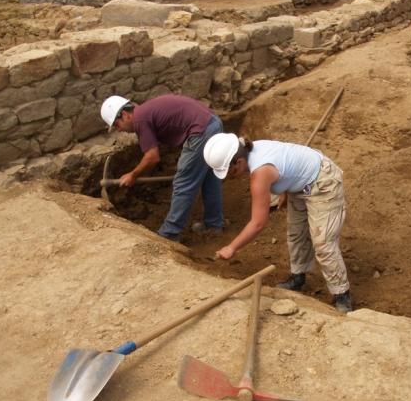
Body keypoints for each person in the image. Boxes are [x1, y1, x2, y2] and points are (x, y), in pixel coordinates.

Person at [203, 133, 353, 313]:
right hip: (300, 184)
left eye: (231, 172)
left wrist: (232, 247)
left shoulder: (260, 172)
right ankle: (298, 277)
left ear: (239, 161)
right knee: (296, 233)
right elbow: (285, 163)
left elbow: (258, 223)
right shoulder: (249, 149)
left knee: (323, 243)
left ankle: (341, 294)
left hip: (323, 181)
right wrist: (284, 189)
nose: (231, 177)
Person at [100, 94, 224, 242]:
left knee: (183, 183)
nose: (118, 130)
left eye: (116, 125)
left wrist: (133, 174)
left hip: (201, 132)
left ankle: (168, 236)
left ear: (125, 115)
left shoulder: (140, 120)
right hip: (213, 124)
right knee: (209, 178)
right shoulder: (146, 112)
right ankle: (214, 224)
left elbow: (152, 157)